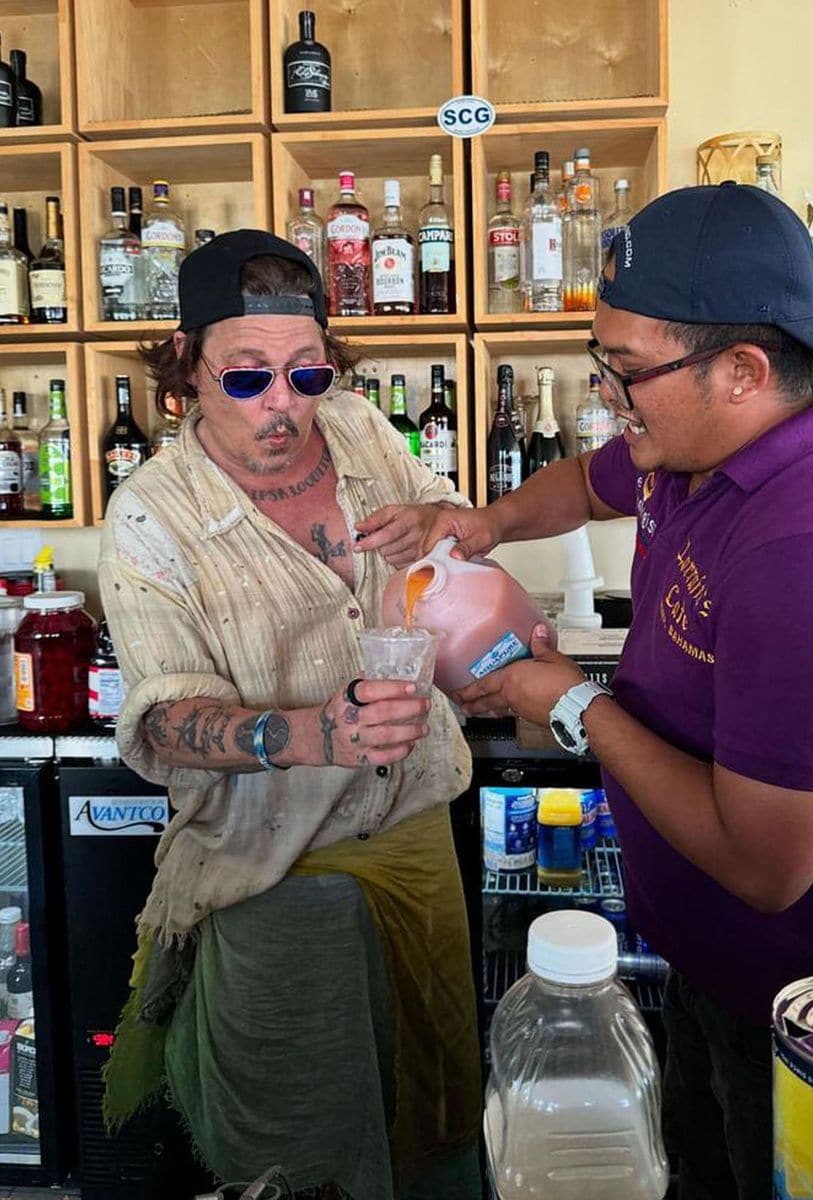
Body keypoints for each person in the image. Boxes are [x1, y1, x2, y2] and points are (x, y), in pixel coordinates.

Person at [421, 183, 813, 1200]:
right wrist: (483, 525)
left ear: (743, 371)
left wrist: (572, 702)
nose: (606, 397)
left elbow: (765, 867)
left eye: (624, 372)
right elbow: (588, 479)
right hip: (714, 967)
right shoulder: (694, 451)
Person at [98, 229, 481, 1200]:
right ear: (185, 363)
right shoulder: (153, 516)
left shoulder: (356, 427)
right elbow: (164, 721)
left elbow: (447, 520)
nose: (283, 404)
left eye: (306, 373)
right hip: (265, 853)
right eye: (247, 377)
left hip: (409, 819)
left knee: (433, 1096)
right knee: (300, 1138)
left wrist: (437, 526)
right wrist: (309, 734)